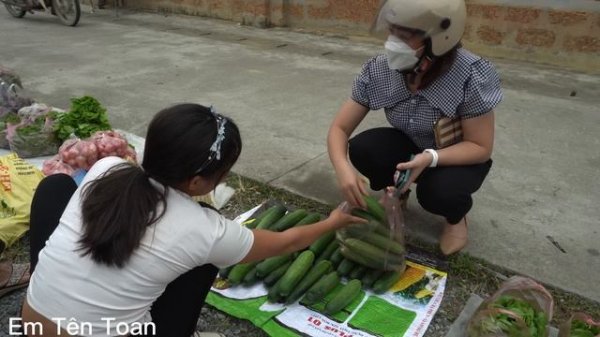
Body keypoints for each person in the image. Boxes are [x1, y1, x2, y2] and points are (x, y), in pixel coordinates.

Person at [21, 103, 364, 337]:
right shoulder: (205, 229)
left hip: (32, 323)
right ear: (198, 182)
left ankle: (53, 282)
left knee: (55, 186)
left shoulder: (106, 168)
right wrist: (332, 223)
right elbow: (287, 242)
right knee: (204, 262)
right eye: (223, 173)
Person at [327, 0, 503, 256]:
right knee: (364, 148)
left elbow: (480, 147)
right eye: (392, 32)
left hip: (455, 156)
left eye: (405, 36)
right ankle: (398, 193)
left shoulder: (471, 75)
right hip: (411, 143)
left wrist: (430, 158)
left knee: (440, 192)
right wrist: (342, 169)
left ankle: (456, 219)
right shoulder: (380, 68)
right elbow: (340, 128)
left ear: (439, 40)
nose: (392, 43)